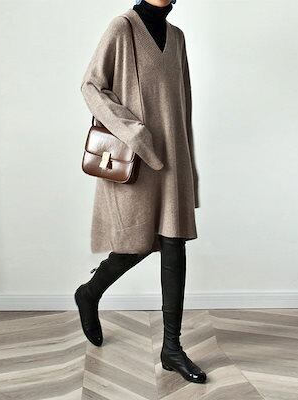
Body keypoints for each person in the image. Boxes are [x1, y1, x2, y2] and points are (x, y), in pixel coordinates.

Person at [76, 0, 205, 384]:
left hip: (172, 159)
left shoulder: (177, 38)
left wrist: (189, 168)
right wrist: (134, 132)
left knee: (174, 244)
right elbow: (91, 86)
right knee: (134, 244)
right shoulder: (122, 28)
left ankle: (172, 348)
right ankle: (89, 293)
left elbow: (183, 107)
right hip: (135, 160)